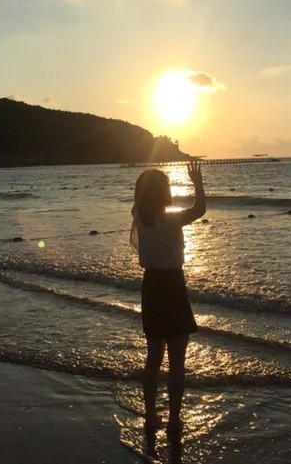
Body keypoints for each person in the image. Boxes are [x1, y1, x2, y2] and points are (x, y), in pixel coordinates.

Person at [129, 161, 206, 439]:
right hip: (173, 285)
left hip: (151, 285)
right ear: (165, 192)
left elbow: (141, 204)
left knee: (153, 357)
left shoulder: (138, 215)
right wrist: (197, 182)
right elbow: (199, 210)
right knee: (177, 360)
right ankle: (174, 420)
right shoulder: (172, 218)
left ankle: (151, 417)